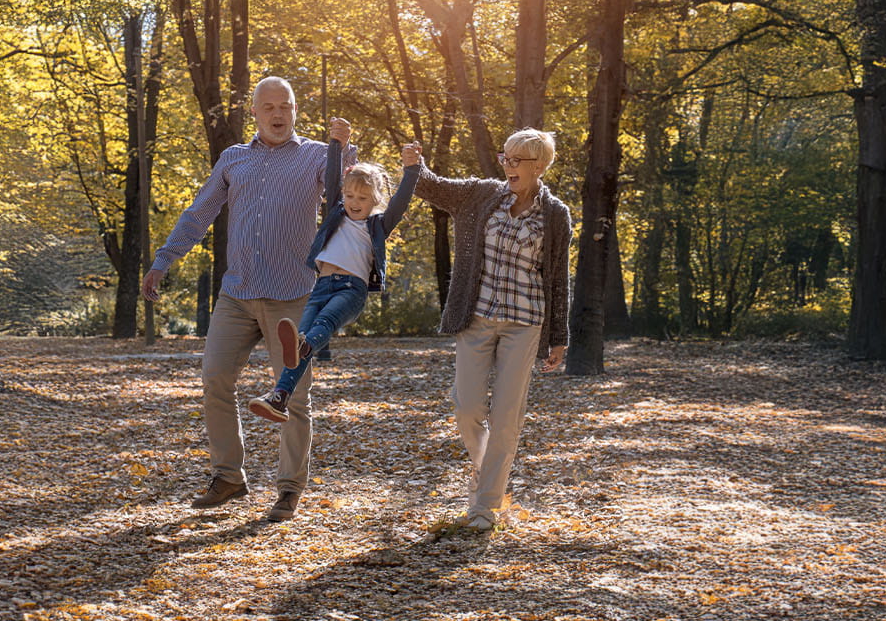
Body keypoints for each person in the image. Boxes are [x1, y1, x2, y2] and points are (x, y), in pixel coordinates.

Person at [142, 76, 348, 523]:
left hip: (294, 296)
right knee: (215, 378)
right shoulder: (233, 159)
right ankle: (228, 477)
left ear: (295, 111)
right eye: (269, 106)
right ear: (253, 112)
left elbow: (345, 192)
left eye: (286, 106)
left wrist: (342, 147)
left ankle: (290, 488)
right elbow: (199, 214)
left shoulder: (317, 155)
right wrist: (163, 260)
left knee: (292, 394)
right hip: (237, 293)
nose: (278, 114)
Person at [401, 129, 571, 532]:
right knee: (468, 407)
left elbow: (558, 276)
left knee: (506, 415)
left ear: (539, 166)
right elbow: (434, 187)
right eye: (505, 158)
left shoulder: (555, 214)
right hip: (476, 318)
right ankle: (486, 470)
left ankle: (486, 505)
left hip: (525, 323)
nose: (508, 166)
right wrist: (414, 164)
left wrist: (559, 337)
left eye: (517, 160)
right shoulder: (480, 194)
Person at [247, 122, 420, 423]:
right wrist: (336, 144)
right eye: (350, 196)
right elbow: (330, 176)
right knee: (299, 347)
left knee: (320, 327)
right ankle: (280, 397)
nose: (354, 203)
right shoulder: (335, 215)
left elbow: (401, 202)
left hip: (350, 290)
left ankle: (299, 353)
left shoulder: (377, 225)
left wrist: (412, 169)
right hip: (322, 285)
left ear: (375, 200)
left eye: (362, 198)